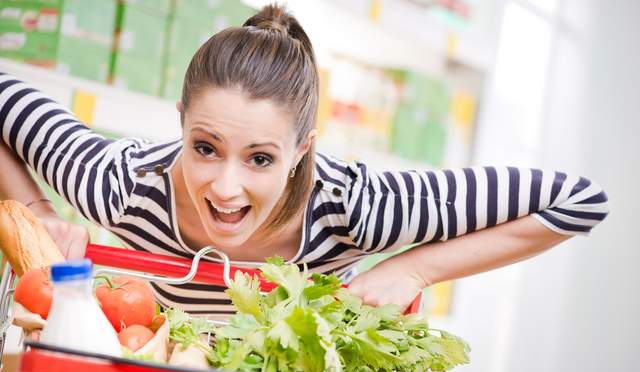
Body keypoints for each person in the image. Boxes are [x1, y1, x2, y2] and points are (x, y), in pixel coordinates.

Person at [0, 4, 609, 318]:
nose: (226, 187)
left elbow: (579, 199)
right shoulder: (123, 186)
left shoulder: (357, 207)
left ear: (303, 150)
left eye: (260, 158)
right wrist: (33, 212)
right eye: (204, 148)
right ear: (180, 119)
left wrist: (415, 272)